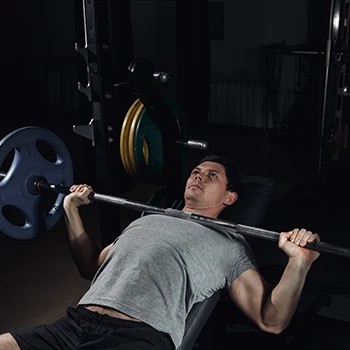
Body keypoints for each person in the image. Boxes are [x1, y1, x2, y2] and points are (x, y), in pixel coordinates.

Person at [0, 155, 320, 350]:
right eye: (196, 171)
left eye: (212, 176)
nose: (198, 176)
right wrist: (71, 209)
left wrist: (298, 263)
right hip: (75, 323)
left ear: (231, 197)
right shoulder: (148, 219)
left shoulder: (229, 244)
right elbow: (90, 267)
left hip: (135, 338)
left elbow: (272, 321)